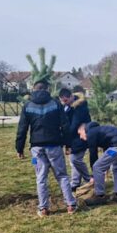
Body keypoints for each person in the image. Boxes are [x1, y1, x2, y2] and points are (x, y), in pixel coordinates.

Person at [16, 80, 77, 217]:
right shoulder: (55, 104)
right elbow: (65, 125)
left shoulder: (28, 106)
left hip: (37, 148)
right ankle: (71, 205)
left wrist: (19, 148)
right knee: (61, 176)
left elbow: (22, 129)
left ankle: (43, 208)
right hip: (54, 145)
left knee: (41, 177)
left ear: (33, 89)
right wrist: (68, 145)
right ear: (47, 89)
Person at [79, 122, 117, 206]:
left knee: (97, 167)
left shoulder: (90, 133)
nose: (80, 137)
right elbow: (107, 146)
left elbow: (93, 153)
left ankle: (99, 196)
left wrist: (93, 175)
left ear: (83, 130)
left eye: (80, 134)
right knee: (116, 167)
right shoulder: (100, 129)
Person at [58, 88, 92, 191]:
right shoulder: (67, 107)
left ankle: (89, 179)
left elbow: (74, 125)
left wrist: (63, 137)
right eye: (62, 101)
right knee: (73, 161)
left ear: (71, 96)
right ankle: (75, 182)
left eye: (66, 100)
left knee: (75, 159)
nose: (64, 103)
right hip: (73, 138)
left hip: (81, 136)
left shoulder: (79, 107)